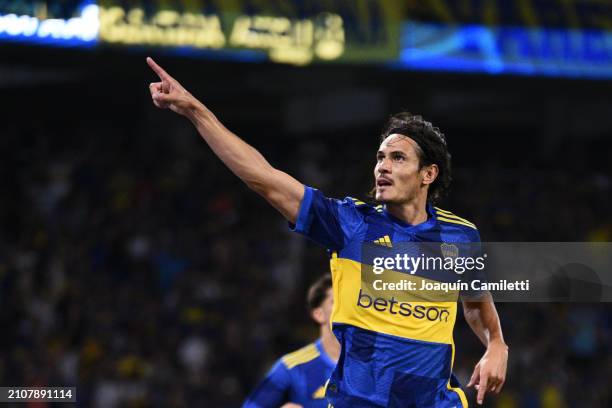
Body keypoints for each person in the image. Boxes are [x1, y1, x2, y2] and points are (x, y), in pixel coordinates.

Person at [146, 57, 508, 407]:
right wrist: (195, 110)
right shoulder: (350, 224)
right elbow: (264, 178)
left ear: (427, 174)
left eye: (397, 158)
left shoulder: (460, 236)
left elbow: (475, 301)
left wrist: (496, 345)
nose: (382, 166)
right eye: (380, 157)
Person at [243, 275, 339, 408]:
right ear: (319, 314)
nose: (345, 309)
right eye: (336, 301)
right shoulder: (292, 367)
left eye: (349, 302)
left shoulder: (374, 364)